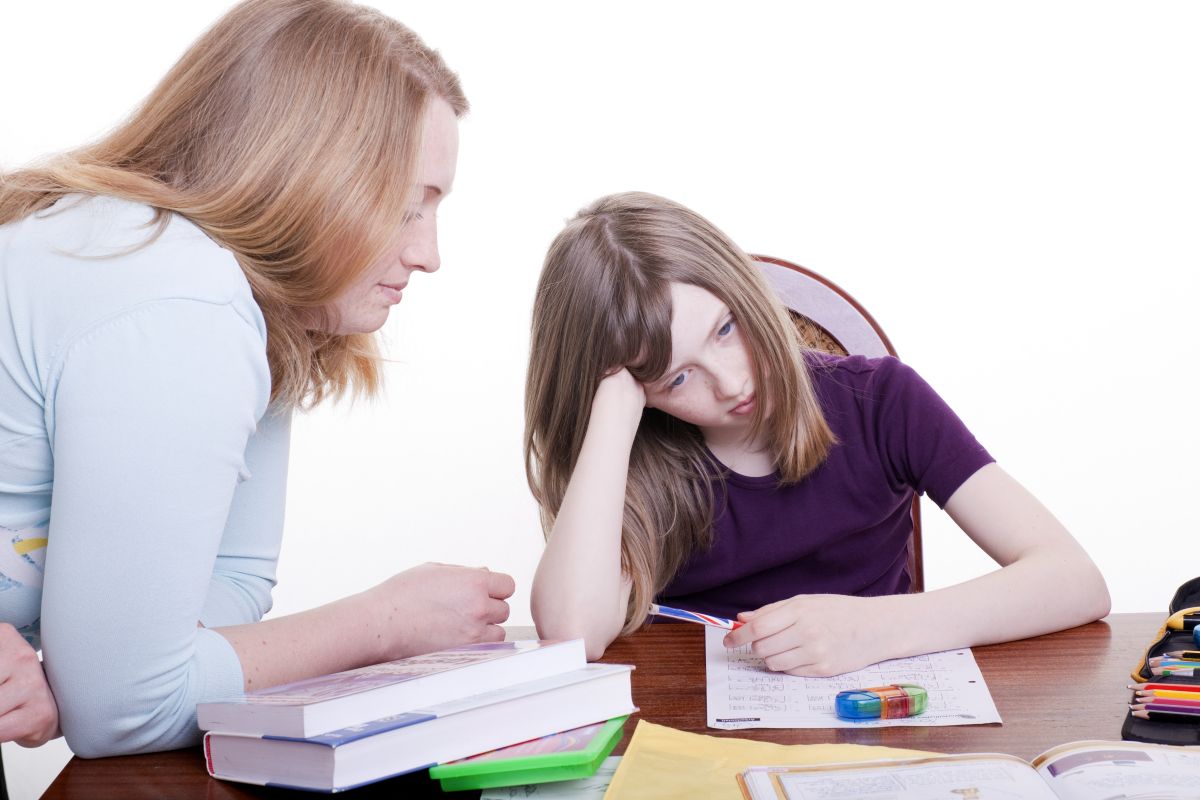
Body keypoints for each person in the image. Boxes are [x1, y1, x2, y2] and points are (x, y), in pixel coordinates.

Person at [0, 0, 514, 758]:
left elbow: (234, 577)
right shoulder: (179, 304)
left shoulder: (230, 293)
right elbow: (121, 712)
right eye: (408, 208)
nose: (429, 254)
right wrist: (385, 623)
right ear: (306, 176)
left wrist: (109, 673)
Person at [526, 192, 1110, 672]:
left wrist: (875, 628)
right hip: (697, 739)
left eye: (726, 328)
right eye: (678, 377)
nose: (730, 384)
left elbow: (1074, 580)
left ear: (747, 291)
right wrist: (610, 412)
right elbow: (574, 633)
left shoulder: (881, 400)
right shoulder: (634, 453)